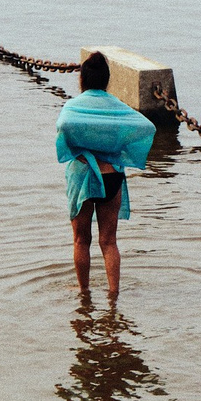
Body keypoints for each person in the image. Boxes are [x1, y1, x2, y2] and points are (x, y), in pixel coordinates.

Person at [54, 53, 156, 298]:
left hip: (85, 177)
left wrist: (79, 150)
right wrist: (120, 151)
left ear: (82, 80)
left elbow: (63, 126)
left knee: (81, 240)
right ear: (107, 80)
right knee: (109, 242)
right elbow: (146, 127)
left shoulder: (74, 106)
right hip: (112, 176)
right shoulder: (116, 106)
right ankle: (113, 295)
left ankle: (84, 291)